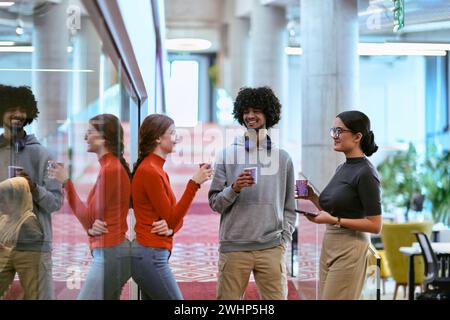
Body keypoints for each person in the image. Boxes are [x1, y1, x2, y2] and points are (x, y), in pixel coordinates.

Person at [208, 87, 297, 300]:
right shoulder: (227, 155)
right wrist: (234, 189)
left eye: (256, 110)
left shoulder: (283, 158)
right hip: (234, 247)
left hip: (271, 247)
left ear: (268, 114)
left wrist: (283, 239)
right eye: (246, 111)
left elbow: (289, 207)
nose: (250, 116)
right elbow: (215, 203)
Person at [300, 110, 382, 300]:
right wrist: (313, 198)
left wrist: (334, 220)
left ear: (357, 136)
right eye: (333, 131)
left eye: (339, 131)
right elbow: (335, 210)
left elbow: (375, 225)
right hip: (330, 245)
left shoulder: (366, 173)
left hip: (350, 247)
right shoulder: (343, 167)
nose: (334, 136)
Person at [49, 114, 132, 300]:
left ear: (103, 138)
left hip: (111, 253)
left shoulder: (111, 169)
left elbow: (89, 218)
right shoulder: (110, 167)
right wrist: (91, 226)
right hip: (114, 251)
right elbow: (92, 221)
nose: (85, 137)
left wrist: (66, 182)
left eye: (89, 133)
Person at [131, 114, 212, 300]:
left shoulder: (155, 168)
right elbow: (173, 217)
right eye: (173, 133)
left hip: (150, 254)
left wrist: (170, 228)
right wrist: (193, 183)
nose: (177, 138)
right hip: (150, 255)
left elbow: (173, 219)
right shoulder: (150, 170)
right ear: (158, 138)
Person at [0, 85, 63, 299]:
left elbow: (55, 203)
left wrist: (33, 188)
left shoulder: (44, 154)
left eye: (22, 109)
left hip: (34, 245)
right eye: (11, 109)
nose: (18, 114)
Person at [0, 177, 44, 299]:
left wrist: (7, 252)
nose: (0, 204)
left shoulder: (28, 225)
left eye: (4, 200)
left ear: (17, 200)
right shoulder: (5, 218)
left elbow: (31, 287)